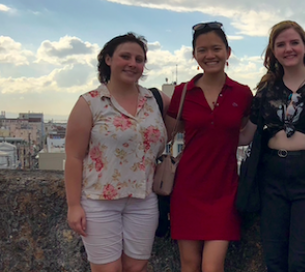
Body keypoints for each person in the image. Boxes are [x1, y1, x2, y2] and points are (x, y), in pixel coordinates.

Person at [239, 20, 305, 272]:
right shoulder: (266, 89)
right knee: (274, 259)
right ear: (273, 52)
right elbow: (246, 135)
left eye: (294, 42)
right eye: (280, 44)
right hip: (271, 174)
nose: (288, 49)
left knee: (302, 260)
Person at [64, 33, 168, 272]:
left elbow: (189, 119)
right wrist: (73, 205)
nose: (133, 63)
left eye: (139, 59)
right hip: (100, 201)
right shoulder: (90, 102)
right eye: (125, 56)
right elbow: (74, 157)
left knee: (136, 266)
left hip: (143, 199)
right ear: (108, 59)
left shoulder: (155, 99)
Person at [166, 22, 253, 272]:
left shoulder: (242, 93)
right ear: (194, 55)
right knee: (190, 264)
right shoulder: (184, 92)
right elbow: (168, 133)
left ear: (228, 52)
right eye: (202, 50)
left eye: (216, 48)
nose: (210, 55)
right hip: (187, 188)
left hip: (224, 190)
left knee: (213, 266)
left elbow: (245, 133)